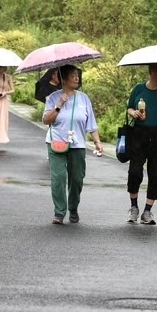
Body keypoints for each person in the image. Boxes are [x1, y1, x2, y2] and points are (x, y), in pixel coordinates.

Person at [43, 65, 103, 225]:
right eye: (73, 75)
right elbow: (46, 120)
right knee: (58, 178)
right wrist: (59, 105)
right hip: (56, 141)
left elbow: (91, 123)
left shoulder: (84, 98)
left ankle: (73, 206)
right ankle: (59, 212)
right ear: (63, 78)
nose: (77, 78)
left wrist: (97, 141)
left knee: (77, 179)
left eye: (77, 75)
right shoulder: (52, 97)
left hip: (77, 145)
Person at [125, 63, 157, 225]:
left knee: (155, 173)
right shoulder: (139, 89)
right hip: (139, 133)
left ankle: (147, 211)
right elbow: (129, 108)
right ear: (150, 71)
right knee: (135, 171)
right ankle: (134, 207)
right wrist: (133, 112)